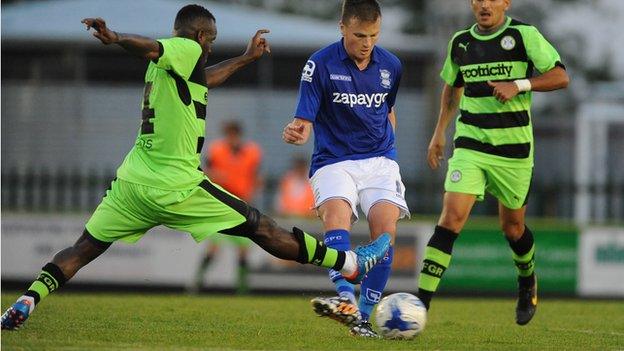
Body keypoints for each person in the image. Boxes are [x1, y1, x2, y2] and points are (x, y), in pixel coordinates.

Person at [0, 4, 392, 331]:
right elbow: (151, 46)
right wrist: (117, 37)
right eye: (212, 42)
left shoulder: (172, 69)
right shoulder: (186, 49)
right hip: (178, 186)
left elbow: (203, 77)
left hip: (131, 184)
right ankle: (351, 264)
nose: (209, 49)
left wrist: (246, 58)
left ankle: (25, 301)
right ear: (201, 37)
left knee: (84, 248)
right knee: (261, 227)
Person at [417, 0, 569, 326]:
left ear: (505, 3)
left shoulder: (523, 35)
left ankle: (527, 279)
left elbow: (560, 76)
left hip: (513, 151)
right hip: (471, 144)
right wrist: (439, 132)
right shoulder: (460, 42)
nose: (485, 5)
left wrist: (519, 85)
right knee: (451, 219)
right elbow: (451, 88)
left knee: (512, 228)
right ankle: (420, 304)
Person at [282, 0, 408, 338]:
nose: (367, 43)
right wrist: (297, 131)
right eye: (359, 35)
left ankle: (364, 321)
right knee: (335, 221)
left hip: (380, 160)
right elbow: (304, 120)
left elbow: (387, 108)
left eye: (374, 35)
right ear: (342, 28)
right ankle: (345, 301)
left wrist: (391, 155)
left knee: (385, 236)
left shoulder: (391, 65)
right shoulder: (319, 64)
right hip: (334, 160)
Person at [193, 121, 262, 294]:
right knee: (214, 247)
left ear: (239, 135)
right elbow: (205, 172)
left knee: (243, 249)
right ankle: (197, 283)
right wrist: (215, 176)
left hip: (242, 204)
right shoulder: (217, 150)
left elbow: (256, 176)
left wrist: (253, 191)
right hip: (221, 204)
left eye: (234, 134)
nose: (231, 138)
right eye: (229, 134)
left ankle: (242, 288)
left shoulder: (252, 152)